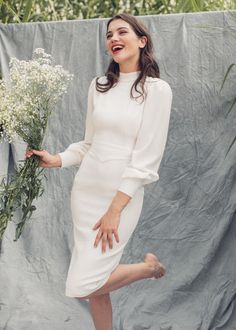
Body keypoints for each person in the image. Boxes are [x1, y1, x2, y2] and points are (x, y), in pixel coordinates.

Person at [26, 13, 173, 330]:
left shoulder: (157, 90)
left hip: (120, 196)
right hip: (86, 192)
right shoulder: (100, 86)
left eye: (122, 32)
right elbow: (90, 144)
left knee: (87, 283)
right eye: (109, 35)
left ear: (141, 40)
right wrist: (58, 159)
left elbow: (146, 160)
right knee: (95, 291)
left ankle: (149, 269)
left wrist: (115, 209)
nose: (114, 39)